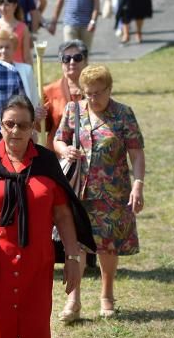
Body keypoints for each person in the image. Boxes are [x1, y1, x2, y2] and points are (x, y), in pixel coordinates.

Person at [0, 95, 94, 338]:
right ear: (0, 125)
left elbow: (63, 214)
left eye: (23, 125)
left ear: (34, 127)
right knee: (1, 334)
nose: (15, 131)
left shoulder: (46, 162)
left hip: (37, 264)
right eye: (9, 124)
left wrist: (73, 257)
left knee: (34, 332)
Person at [54, 65, 146, 322]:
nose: (92, 99)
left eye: (98, 93)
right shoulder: (73, 110)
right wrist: (64, 151)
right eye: (88, 93)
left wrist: (138, 183)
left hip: (113, 192)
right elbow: (59, 139)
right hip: (78, 191)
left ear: (109, 89)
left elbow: (136, 153)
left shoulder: (123, 114)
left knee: (108, 245)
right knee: (78, 243)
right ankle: (73, 300)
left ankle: (107, 294)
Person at [42, 39, 88, 150]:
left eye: (77, 58)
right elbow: (43, 127)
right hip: (58, 155)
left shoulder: (95, 89)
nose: (72, 62)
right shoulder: (48, 91)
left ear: (85, 61)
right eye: (66, 59)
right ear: (61, 63)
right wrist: (38, 118)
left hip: (89, 154)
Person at [0, 0, 32, 64]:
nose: (3, 8)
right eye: (0, 4)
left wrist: (29, 72)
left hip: (18, 68)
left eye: (6, 5)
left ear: (14, 6)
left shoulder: (23, 28)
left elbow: (27, 55)